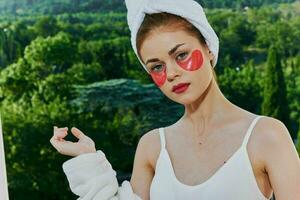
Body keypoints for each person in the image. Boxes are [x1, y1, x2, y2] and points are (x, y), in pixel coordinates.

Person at [50, 0, 300, 199]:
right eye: (157, 67)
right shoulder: (152, 147)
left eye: (181, 55)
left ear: (209, 48)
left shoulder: (267, 136)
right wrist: (88, 161)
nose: (171, 74)